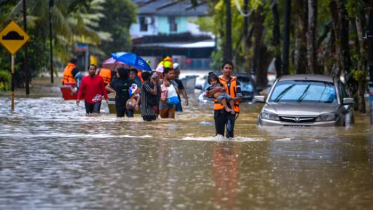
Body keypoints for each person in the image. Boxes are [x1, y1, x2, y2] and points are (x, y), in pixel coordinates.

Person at [205, 61, 242, 138]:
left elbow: (239, 97)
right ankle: (219, 149)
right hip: (219, 111)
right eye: (226, 68)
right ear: (222, 69)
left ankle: (230, 149)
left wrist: (227, 99)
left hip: (232, 111)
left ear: (232, 70)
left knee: (230, 135)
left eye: (230, 68)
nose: (228, 70)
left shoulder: (237, 83)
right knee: (219, 136)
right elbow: (208, 94)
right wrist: (217, 90)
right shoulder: (215, 81)